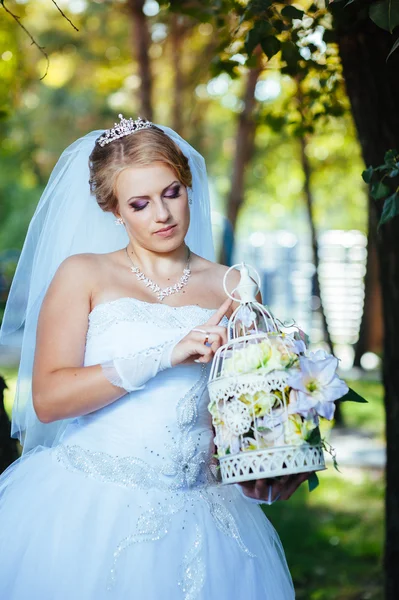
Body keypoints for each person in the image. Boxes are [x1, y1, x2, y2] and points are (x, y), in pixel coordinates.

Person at [0, 115, 308, 599]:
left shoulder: (234, 285)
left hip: (208, 518)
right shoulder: (83, 274)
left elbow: (245, 415)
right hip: (92, 509)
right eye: (139, 204)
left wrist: (271, 459)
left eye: (171, 193)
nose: (161, 215)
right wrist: (164, 353)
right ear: (115, 210)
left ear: (188, 185)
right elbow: (48, 399)